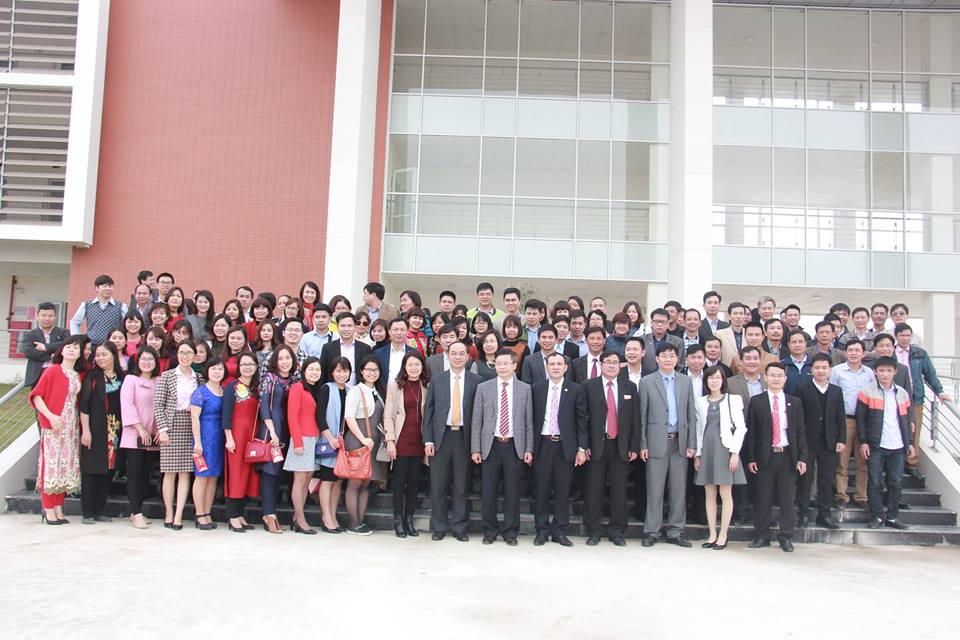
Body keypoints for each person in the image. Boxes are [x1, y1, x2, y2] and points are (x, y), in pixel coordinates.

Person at [470, 349, 534, 546]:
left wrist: (529, 449)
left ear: (514, 365)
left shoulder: (525, 389)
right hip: (491, 446)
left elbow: (529, 422)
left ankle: (510, 532)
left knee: (512, 491)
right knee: (488, 491)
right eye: (498, 363)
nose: (502, 367)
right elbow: (476, 421)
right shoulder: (484, 387)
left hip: (514, 445)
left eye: (506, 363)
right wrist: (475, 449)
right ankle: (489, 531)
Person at [639, 343, 697, 547]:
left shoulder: (685, 381)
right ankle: (652, 531)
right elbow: (642, 416)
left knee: (678, 490)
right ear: (657, 359)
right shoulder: (647, 382)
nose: (668, 359)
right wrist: (643, 444)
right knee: (655, 490)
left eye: (672, 355)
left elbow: (690, 414)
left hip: (679, 442)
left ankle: (676, 531)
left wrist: (692, 443)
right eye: (664, 355)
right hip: (656, 442)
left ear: (677, 359)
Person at [746, 362, 808, 552]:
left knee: (787, 499)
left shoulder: (794, 402)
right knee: (763, 497)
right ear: (765, 377)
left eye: (780, 376)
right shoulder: (757, 401)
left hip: (787, 455)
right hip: (765, 456)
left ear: (785, 379)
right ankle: (762, 534)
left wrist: (802, 457)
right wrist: (751, 458)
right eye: (772, 375)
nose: (776, 379)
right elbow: (751, 433)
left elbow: (800, 431)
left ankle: (786, 536)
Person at [423, 341, 480, 541]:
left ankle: (459, 527)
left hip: (464, 437)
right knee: (438, 485)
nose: (457, 357)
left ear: (467, 357)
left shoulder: (476, 381)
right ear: (447, 355)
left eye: (461, 353)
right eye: (453, 353)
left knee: (461, 486)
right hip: (442, 437)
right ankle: (439, 527)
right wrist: (428, 440)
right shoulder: (437, 379)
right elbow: (429, 410)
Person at [583, 351, 640, 546]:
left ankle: (617, 530)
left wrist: (634, 446)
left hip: (620, 445)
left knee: (619, 490)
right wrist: (585, 445)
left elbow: (635, 419)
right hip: (596, 445)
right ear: (601, 365)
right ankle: (594, 530)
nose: (612, 365)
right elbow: (584, 418)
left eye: (615, 362)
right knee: (594, 489)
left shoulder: (629, 387)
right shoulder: (589, 386)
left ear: (620, 365)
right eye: (607, 362)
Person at [531, 352, 588, 546]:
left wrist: (582, 448)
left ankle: (559, 530)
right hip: (543, 444)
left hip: (566, 446)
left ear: (566, 367)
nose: (555, 367)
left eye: (559, 364)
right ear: (546, 367)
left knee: (563, 490)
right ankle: (541, 530)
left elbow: (582, 421)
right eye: (552, 364)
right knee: (542, 490)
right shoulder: (537, 389)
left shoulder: (576, 389)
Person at [29, 335, 85, 525]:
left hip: (70, 427)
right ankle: (48, 507)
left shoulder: (76, 374)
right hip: (54, 424)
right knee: (51, 466)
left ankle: (58, 506)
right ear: (61, 350)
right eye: (68, 346)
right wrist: (51, 416)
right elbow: (37, 396)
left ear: (80, 353)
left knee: (64, 466)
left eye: (76, 347)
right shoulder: (53, 370)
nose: (72, 350)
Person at [857, 356, 914, 530]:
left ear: (895, 372)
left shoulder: (902, 393)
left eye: (889, 370)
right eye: (881, 370)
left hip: (898, 444)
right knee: (874, 481)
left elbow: (907, 420)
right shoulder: (867, 391)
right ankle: (876, 516)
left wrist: (909, 442)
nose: (885, 374)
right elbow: (861, 419)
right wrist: (863, 441)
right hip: (876, 444)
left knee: (895, 482)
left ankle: (892, 516)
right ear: (875, 372)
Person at [694, 366, 747, 550]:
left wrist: (735, 453)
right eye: (711, 378)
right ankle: (712, 534)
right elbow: (699, 428)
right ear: (706, 381)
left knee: (725, 493)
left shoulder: (733, 400)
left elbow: (740, 428)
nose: (714, 381)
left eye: (718, 378)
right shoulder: (700, 402)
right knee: (709, 493)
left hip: (725, 449)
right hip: (707, 449)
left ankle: (723, 534)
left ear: (723, 380)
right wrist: (698, 454)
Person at [795, 353, 846, 529]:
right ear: (812, 369)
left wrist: (842, 438)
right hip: (808, 442)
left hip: (829, 441)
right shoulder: (802, 389)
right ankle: (803, 514)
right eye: (817, 367)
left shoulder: (836, 391)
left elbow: (840, 417)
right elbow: (798, 418)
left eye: (824, 367)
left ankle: (824, 515)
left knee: (827, 479)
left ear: (830, 370)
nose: (821, 371)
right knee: (805, 480)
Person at [154, 340, 201, 530]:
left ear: (194, 356)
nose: (184, 356)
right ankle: (168, 512)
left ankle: (179, 514)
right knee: (169, 472)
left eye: (188, 353)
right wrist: (162, 429)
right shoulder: (167, 376)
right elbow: (158, 404)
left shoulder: (199, 378)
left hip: (191, 425)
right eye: (181, 352)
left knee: (185, 473)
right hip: (171, 424)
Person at [78, 341, 125, 524]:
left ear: (114, 355)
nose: (99, 358)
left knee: (108, 471)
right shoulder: (92, 377)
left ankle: (99, 509)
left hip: (115, 432)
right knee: (91, 471)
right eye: (97, 355)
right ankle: (88, 511)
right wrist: (86, 431)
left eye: (104, 354)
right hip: (95, 429)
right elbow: (84, 406)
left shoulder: (123, 376)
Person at [383, 352, 430, 538]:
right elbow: (388, 416)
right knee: (399, 481)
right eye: (410, 365)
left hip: (419, 441)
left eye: (417, 364)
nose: (414, 368)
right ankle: (398, 520)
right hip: (401, 440)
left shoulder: (426, 386)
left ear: (422, 366)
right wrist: (390, 441)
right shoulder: (395, 386)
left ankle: (409, 519)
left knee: (413, 482)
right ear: (404, 367)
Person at [894, 323, 950, 476]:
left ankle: (912, 463)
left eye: (908, 335)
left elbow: (930, 374)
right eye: (902, 335)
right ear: (896, 336)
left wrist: (940, 391)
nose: (905, 338)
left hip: (915, 397)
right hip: (895, 397)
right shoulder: (891, 352)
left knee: (915, 429)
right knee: (895, 429)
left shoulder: (919, 353)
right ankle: (894, 462)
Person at [342, 355, 386, 534]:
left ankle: (361, 521)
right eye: (368, 369)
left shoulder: (378, 391)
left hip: (372, 443)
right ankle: (353, 523)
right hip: (358, 441)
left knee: (366, 483)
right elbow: (349, 417)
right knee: (355, 483)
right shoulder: (355, 391)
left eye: (375, 370)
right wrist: (362, 439)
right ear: (361, 371)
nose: (372, 373)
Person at [830, 338, 876, 508]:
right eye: (851, 350)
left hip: (865, 421)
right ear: (845, 353)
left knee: (862, 461)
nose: (854, 353)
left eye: (857, 350)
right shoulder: (837, 371)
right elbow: (832, 395)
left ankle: (861, 496)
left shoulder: (869, 373)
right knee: (841, 461)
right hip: (845, 420)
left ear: (863, 354)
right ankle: (841, 495)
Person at [119, 346, 161, 529]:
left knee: (145, 475)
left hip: (152, 436)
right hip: (134, 434)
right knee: (135, 474)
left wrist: (159, 430)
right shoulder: (131, 380)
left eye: (150, 359)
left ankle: (137, 510)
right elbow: (127, 405)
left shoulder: (159, 381)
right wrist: (140, 429)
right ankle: (136, 513)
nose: (147, 362)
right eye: (143, 359)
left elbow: (162, 406)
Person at [257, 345, 296, 534]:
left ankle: (272, 513)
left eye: (288, 358)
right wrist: (272, 432)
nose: (285, 362)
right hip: (272, 429)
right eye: (281, 359)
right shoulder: (269, 378)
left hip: (287, 429)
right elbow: (264, 405)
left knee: (279, 474)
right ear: (275, 361)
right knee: (270, 474)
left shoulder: (293, 380)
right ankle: (268, 515)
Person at [221, 352, 260, 533]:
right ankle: (232, 516)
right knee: (236, 475)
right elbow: (226, 414)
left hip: (252, 437)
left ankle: (240, 513)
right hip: (236, 436)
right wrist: (229, 438)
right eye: (244, 364)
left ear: (256, 367)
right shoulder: (232, 387)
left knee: (248, 476)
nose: (247, 368)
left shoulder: (256, 387)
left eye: (251, 364)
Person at [284, 358, 324, 534]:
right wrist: (298, 441)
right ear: (304, 370)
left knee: (307, 480)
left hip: (314, 438)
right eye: (311, 369)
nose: (315, 372)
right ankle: (300, 519)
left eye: (317, 370)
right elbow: (292, 416)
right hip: (301, 439)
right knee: (300, 480)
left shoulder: (316, 389)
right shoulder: (297, 387)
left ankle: (296, 517)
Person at [317, 357, 352, 533]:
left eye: (345, 371)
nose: (341, 374)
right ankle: (326, 517)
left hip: (344, 444)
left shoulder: (350, 390)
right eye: (338, 371)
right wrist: (330, 438)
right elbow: (320, 416)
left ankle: (333, 516)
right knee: (327, 480)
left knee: (338, 481)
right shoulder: (327, 388)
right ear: (332, 372)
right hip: (329, 441)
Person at [189, 357, 225, 530]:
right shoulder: (200, 392)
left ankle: (207, 512)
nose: (217, 372)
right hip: (204, 439)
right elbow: (194, 417)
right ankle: (199, 513)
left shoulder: (224, 391)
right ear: (207, 371)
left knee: (213, 477)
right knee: (202, 476)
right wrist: (197, 442)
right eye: (214, 369)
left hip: (219, 439)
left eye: (220, 369)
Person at [19, 301, 71, 391]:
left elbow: (68, 344)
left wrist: (45, 347)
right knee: (38, 398)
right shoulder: (30, 335)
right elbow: (28, 352)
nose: (47, 318)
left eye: (50, 316)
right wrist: (52, 355)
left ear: (55, 317)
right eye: (43, 315)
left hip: (60, 371)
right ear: (37, 316)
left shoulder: (63, 332)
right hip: (38, 374)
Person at [69, 274, 127, 343]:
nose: (108, 289)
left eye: (110, 286)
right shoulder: (87, 305)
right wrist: (78, 339)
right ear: (97, 288)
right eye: (104, 286)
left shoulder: (121, 306)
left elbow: (127, 325)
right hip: (91, 345)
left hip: (112, 345)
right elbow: (75, 322)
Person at [320, 312, 372, 386]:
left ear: (355, 327)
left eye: (349, 325)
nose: (346, 329)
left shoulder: (365, 348)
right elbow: (323, 373)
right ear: (337, 327)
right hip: (334, 389)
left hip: (358, 389)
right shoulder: (328, 348)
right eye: (342, 326)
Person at [642, 308, 685, 373]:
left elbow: (680, 366)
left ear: (668, 324)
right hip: (646, 377)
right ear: (651, 323)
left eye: (663, 322)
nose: (660, 324)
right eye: (656, 321)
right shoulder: (642, 340)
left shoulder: (678, 342)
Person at [374, 317, 416, 383]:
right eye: (395, 329)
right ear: (389, 332)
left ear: (407, 332)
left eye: (402, 330)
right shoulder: (378, 353)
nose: (399, 333)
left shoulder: (414, 353)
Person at [715, 302, 748, 366]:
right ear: (729, 316)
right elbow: (718, 358)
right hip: (727, 370)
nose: (738, 316)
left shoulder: (750, 334)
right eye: (735, 313)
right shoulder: (719, 334)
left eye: (741, 313)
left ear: (744, 316)